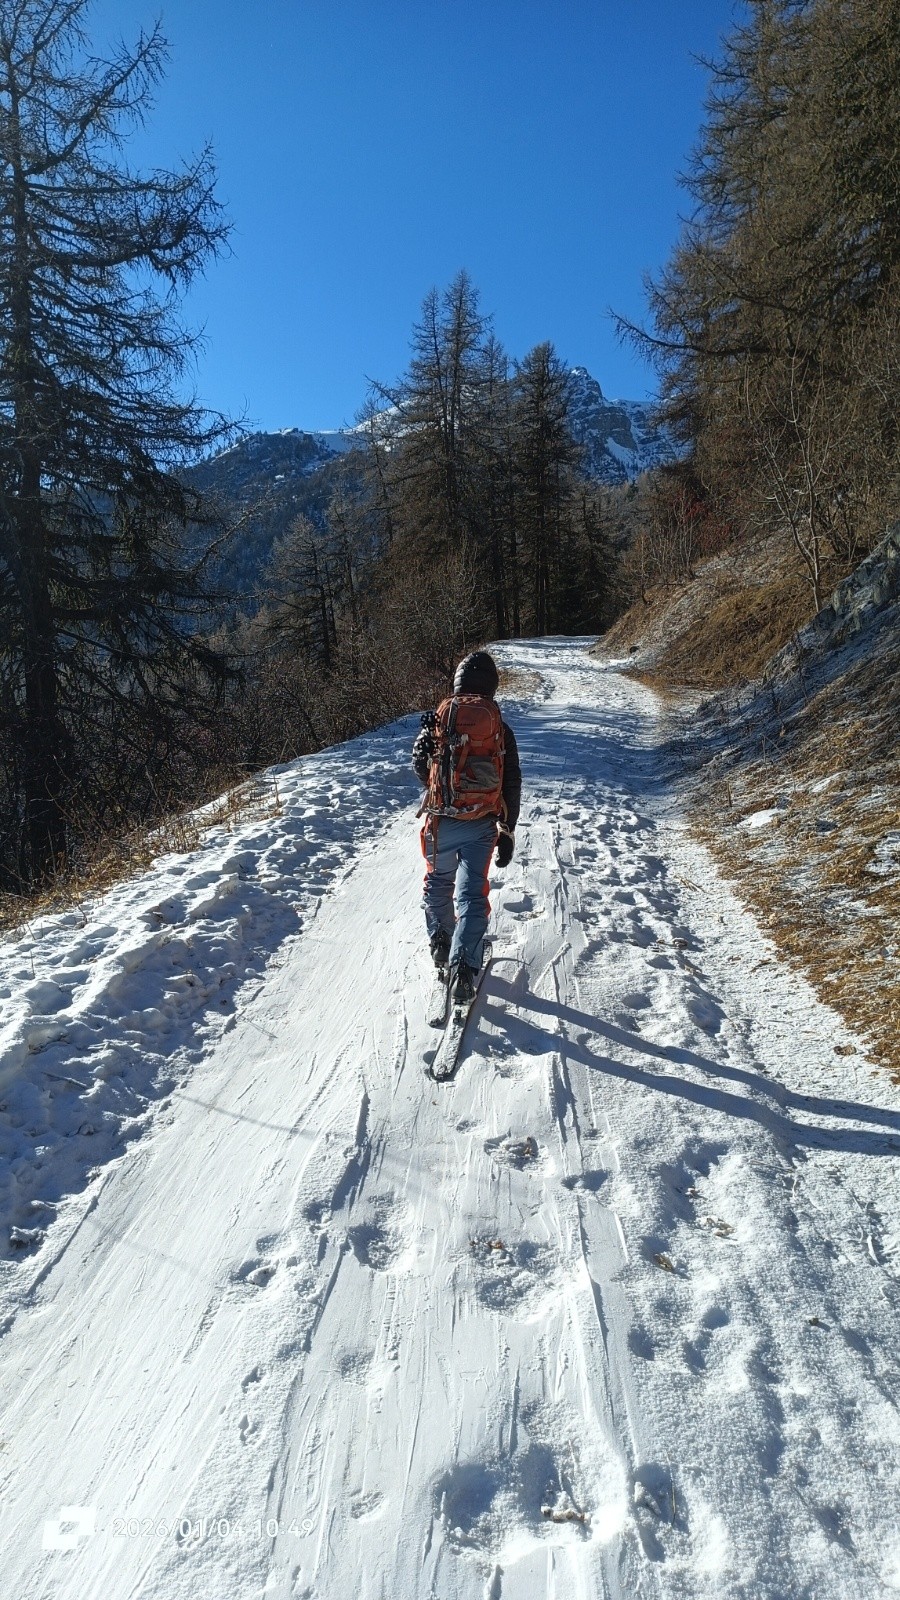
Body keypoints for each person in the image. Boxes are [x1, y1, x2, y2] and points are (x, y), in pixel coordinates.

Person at [412, 650, 522, 1004]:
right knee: (472, 895)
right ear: (492, 685)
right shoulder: (499, 728)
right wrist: (507, 830)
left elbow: (424, 774)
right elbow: (511, 782)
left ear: (457, 684)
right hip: (481, 824)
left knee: (438, 882)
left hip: (441, 823)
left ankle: (441, 941)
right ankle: (463, 966)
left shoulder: (440, 722)